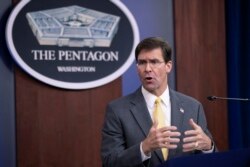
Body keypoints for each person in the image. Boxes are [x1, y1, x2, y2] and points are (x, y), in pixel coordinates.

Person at [101, 37, 215, 167]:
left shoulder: (193, 107)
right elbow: (109, 162)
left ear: (168, 66)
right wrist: (144, 148)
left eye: (154, 62)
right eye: (142, 62)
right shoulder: (118, 110)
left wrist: (208, 146)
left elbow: (211, 160)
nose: (147, 69)